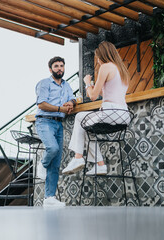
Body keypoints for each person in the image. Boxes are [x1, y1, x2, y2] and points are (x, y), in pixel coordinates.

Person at [62, 41, 130, 176]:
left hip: (110, 113)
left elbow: (92, 96)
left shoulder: (106, 67)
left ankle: (77, 158)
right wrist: (92, 87)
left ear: (102, 56)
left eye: (98, 57)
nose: (98, 61)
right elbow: (105, 93)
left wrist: (87, 83)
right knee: (88, 130)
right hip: (123, 115)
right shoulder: (122, 70)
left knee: (80, 117)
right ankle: (100, 165)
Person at [35, 56, 77, 207]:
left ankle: (49, 198)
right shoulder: (44, 83)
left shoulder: (66, 85)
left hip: (59, 124)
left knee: (56, 164)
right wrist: (60, 108)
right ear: (50, 69)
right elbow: (42, 104)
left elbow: (73, 98)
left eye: (62, 66)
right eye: (56, 66)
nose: (60, 68)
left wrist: (71, 103)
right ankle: (42, 164)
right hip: (44, 121)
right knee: (52, 148)